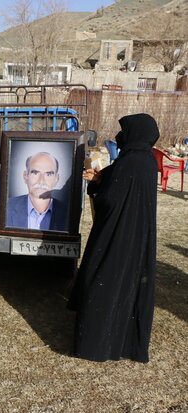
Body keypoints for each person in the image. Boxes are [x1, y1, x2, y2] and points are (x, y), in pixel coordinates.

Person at [68, 113, 159, 363]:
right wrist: (99, 179)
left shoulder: (129, 162)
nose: (120, 136)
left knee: (105, 280)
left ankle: (96, 344)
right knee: (127, 285)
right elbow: (117, 183)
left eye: (124, 132)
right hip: (136, 234)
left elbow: (110, 199)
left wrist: (99, 186)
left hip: (117, 234)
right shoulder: (146, 161)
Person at [6, 151, 69, 231]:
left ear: (56, 179)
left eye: (48, 174)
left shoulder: (68, 213)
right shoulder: (7, 207)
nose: (41, 181)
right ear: (25, 176)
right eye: (35, 173)